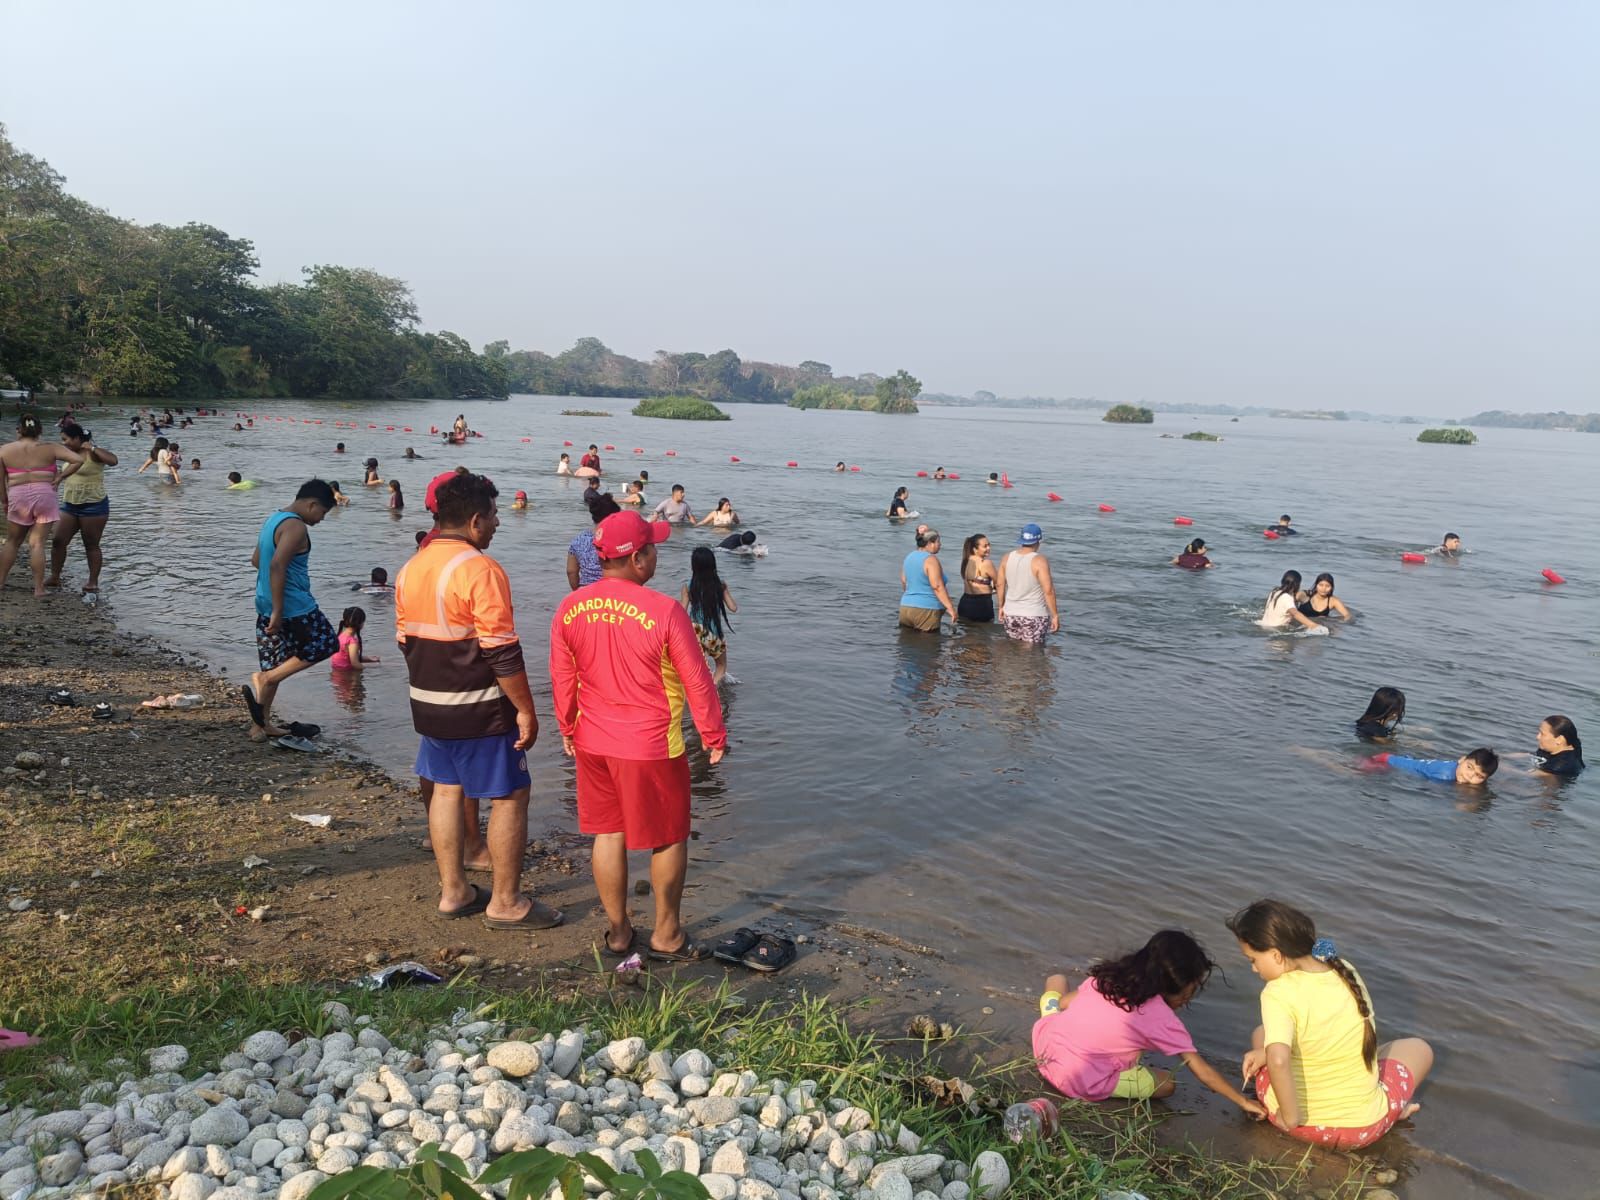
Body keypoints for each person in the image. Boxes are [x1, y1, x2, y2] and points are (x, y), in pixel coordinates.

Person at [549, 511, 728, 961]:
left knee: (607, 833)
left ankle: (619, 932)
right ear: (638, 559)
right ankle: (667, 934)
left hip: (592, 741)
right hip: (651, 745)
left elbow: (562, 675)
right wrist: (712, 733)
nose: (656, 555)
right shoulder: (664, 610)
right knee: (668, 835)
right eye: (652, 548)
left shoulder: (571, 606)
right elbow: (697, 680)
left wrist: (566, 726)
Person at [396, 471, 559, 929]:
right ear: (474, 521)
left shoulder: (411, 567)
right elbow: (501, 651)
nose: (497, 524)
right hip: (479, 707)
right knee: (510, 794)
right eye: (492, 516)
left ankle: (455, 891)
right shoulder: (480, 569)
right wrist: (525, 709)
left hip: (428, 702)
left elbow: (405, 641)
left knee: (446, 788)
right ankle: (506, 902)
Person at [1228, 899, 1433, 1149]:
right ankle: (1394, 1112)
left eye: (1253, 960)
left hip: (1302, 1126)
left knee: (1262, 1033)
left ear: (1276, 955)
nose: (1253, 968)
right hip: (1365, 1128)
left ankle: (1291, 1111)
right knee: (1419, 1048)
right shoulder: (1344, 969)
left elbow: (1279, 1060)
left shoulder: (1277, 992)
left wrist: (1289, 1118)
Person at [1033, 931, 1265, 1116]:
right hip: (1076, 1080)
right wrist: (1243, 1101)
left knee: (1058, 982)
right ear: (1181, 985)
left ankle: (1051, 991)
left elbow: (1065, 1003)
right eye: (1192, 989)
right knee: (1167, 1084)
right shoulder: (1161, 1018)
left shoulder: (1107, 978)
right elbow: (1203, 1072)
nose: (1190, 997)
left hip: (1045, 1051)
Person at [243, 480, 338, 744]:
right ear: (312, 504)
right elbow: (276, 565)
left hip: (264, 601)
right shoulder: (296, 526)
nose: (321, 519)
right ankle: (266, 678)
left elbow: (256, 561)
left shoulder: (273, 519)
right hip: (293, 606)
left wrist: (272, 604)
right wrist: (279, 609)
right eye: (322, 513)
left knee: (274, 661)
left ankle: (259, 726)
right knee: (326, 644)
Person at [0, 414, 84, 597]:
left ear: (18, 430)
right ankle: (39, 588)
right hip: (45, 494)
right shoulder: (51, 447)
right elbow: (79, 460)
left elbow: (1, 481)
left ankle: (0, 581)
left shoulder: (4, 450)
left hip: (18, 494)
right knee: (37, 543)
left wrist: (4, 501)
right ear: (40, 430)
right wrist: (60, 477)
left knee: (13, 541)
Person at [46, 423, 118, 594]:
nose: (63, 443)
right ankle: (55, 577)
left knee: (91, 545)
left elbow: (113, 461)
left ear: (77, 438)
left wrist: (92, 447)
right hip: (70, 505)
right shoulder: (68, 454)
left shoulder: (93, 453)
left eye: (66, 439)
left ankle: (92, 582)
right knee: (58, 541)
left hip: (93, 506)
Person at [680, 546, 738, 684]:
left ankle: (696, 690)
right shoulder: (720, 585)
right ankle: (713, 690)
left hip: (694, 631)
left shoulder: (688, 586)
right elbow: (733, 608)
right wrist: (725, 591)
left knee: (697, 668)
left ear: (694, 566)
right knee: (721, 667)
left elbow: (681, 612)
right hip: (713, 633)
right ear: (713, 564)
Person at [996, 524, 1061, 644]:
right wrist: (1055, 615)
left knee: (1012, 647)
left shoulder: (1006, 557)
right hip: (1033, 615)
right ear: (1038, 541)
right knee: (1032, 651)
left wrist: (1001, 606)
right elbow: (1048, 591)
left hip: (1010, 613)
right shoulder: (1039, 561)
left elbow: (1000, 584)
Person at [898, 527, 957, 632]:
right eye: (938, 542)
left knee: (907, 640)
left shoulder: (909, 557)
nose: (940, 545)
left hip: (906, 607)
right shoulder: (931, 560)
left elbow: (904, 581)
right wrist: (950, 608)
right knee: (929, 641)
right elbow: (937, 586)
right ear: (930, 543)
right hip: (926, 610)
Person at [566, 492, 622, 590]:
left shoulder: (579, 539)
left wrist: (577, 591)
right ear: (613, 516)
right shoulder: (619, 539)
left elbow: (571, 571)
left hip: (586, 590)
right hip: (614, 590)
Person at [1371, 747, 1498, 784]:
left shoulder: (1457, 768)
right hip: (1388, 761)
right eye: (1469, 767)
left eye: (1479, 776)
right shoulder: (1444, 776)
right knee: (1365, 769)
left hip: (1410, 761)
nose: (1470, 776)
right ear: (1461, 760)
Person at [957, 533, 997, 623]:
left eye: (989, 545)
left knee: (966, 630)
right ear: (975, 549)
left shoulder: (967, 561)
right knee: (984, 631)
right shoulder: (986, 563)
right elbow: (999, 583)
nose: (988, 548)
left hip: (965, 602)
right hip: (982, 604)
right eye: (985, 546)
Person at [330, 606, 379, 671]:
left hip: (336, 672)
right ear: (360, 623)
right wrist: (366, 670)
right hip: (348, 674)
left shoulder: (340, 636)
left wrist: (368, 658)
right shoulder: (352, 642)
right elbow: (355, 664)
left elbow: (347, 658)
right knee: (380, 667)